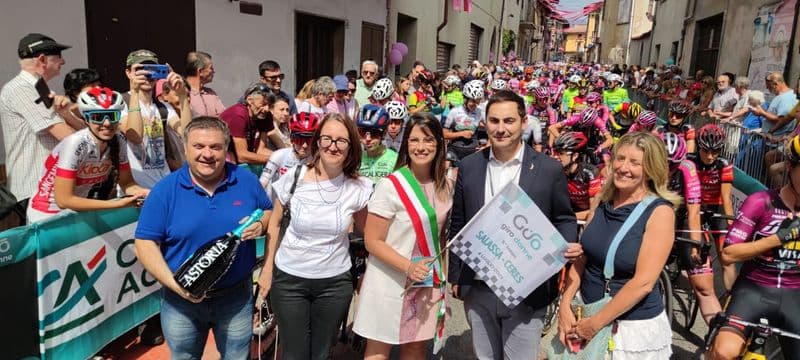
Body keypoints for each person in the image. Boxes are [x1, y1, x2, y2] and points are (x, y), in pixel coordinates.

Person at [448, 90, 580, 359]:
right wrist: (455, 276)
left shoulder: (548, 169)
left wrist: (565, 245)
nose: (501, 129)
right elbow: (459, 223)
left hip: (527, 288)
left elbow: (564, 217)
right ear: (485, 123)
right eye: (494, 121)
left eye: (509, 121)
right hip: (479, 285)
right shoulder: (470, 166)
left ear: (524, 122)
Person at [134, 116, 272, 359]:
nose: (207, 154)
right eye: (199, 146)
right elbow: (145, 243)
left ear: (226, 149)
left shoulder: (246, 180)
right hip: (180, 302)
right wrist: (176, 286)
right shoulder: (165, 190)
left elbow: (268, 210)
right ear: (185, 149)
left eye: (215, 147)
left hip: (235, 299)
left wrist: (261, 223)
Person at [257, 113, 373, 360]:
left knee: (321, 353)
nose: (333, 145)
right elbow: (275, 223)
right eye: (327, 138)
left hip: (334, 283)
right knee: (295, 353)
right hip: (289, 281)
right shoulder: (294, 177)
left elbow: (371, 235)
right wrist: (267, 271)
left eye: (342, 141)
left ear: (351, 146)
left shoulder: (358, 187)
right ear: (317, 142)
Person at [558, 131, 679, 359]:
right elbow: (583, 258)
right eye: (620, 158)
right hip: (585, 314)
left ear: (651, 170)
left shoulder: (659, 212)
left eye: (635, 163)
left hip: (629, 329)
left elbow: (643, 283)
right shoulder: (602, 201)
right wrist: (565, 305)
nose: (623, 168)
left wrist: (593, 325)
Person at [354, 113, 452, 359]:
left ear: (439, 143)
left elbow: (440, 239)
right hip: (390, 279)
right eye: (414, 140)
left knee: (416, 345)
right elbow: (372, 240)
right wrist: (407, 266)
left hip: (426, 282)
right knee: (379, 348)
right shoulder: (391, 185)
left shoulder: (445, 186)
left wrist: (443, 278)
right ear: (406, 143)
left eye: (428, 140)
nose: (421, 147)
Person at [708, 135, 800, 359]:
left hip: (794, 295)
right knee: (723, 351)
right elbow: (728, 254)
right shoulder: (761, 202)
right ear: (789, 166)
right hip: (754, 289)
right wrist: (777, 239)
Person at [26, 87, 149, 223]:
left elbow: (127, 183)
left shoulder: (119, 140)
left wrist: (145, 193)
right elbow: (63, 200)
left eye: (113, 115)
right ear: (86, 119)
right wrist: (115, 205)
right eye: (98, 117)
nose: (107, 123)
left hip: (74, 213)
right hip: (46, 215)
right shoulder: (76, 143)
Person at [0, 33, 75, 220]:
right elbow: (67, 136)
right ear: (41, 59)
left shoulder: (38, 87)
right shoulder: (22, 89)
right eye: (58, 55)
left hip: (46, 188)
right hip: (35, 190)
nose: (63, 61)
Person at [664, 133, 723, 325]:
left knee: (704, 287)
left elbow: (694, 210)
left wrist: (696, 245)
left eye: (672, 165)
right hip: (652, 216)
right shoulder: (644, 162)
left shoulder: (688, 168)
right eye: (662, 162)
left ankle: (717, 338)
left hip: (682, 219)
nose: (667, 169)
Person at [121, 49, 192, 187]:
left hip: (163, 182)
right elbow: (134, 136)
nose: (147, 75)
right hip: (136, 187)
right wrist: (135, 93)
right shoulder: (121, 102)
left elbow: (187, 133)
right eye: (141, 70)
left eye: (152, 69)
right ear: (128, 73)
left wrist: (182, 95)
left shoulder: (163, 107)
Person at [689, 124, 737, 291]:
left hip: (716, 208)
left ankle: (731, 299)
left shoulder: (724, 165)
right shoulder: (689, 161)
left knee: (727, 257)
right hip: (694, 207)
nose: (710, 157)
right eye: (705, 151)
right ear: (698, 147)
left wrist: (731, 224)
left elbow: (726, 198)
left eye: (715, 152)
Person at [258, 112, 319, 197]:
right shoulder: (278, 155)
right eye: (300, 140)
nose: (304, 145)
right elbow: (263, 182)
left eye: (309, 140)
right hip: (279, 205)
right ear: (291, 139)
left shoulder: (318, 160)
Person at [219, 83, 275, 167]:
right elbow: (242, 156)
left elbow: (260, 150)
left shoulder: (266, 116)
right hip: (226, 160)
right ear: (249, 100)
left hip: (246, 162)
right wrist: (276, 161)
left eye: (269, 105)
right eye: (263, 104)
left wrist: (283, 156)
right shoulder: (237, 115)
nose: (266, 109)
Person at [552, 131, 603, 222]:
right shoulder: (556, 171)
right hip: (574, 210)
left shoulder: (590, 172)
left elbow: (593, 211)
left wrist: (563, 217)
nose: (555, 157)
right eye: (555, 152)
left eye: (560, 153)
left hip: (594, 212)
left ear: (575, 156)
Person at [357, 104, 398, 183]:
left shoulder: (395, 159)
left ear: (384, 133)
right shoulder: (356, 160)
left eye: (374, 133)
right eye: (362, 132)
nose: (368, 138)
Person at [183, 51, 225, 117]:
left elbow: (224, 117)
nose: (213, 71)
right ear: (200, 71)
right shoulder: (182, 93)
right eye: (211, 68)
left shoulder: (211, 93)